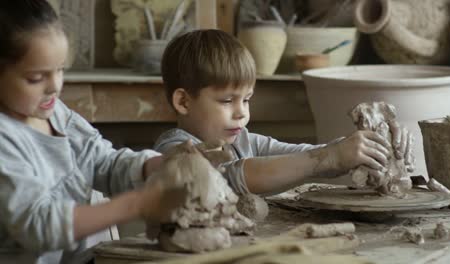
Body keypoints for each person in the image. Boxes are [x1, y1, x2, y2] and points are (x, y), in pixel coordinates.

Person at [0, 1, 188, 263]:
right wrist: (136, 204)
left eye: (60, 70)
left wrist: (155, 165)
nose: (55, 86)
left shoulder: (56, 113)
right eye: (35, 78)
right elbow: (39, 225)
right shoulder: (5, 139)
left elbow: (102, 162)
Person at [154, 29, 414, 196]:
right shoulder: (173, 150)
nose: (241, 114)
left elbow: (304, 157)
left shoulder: (244, 140)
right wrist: (331, 156)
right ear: (184, 102)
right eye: (227, 101)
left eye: (246, 100)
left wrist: (361, 150)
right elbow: (233, 176)